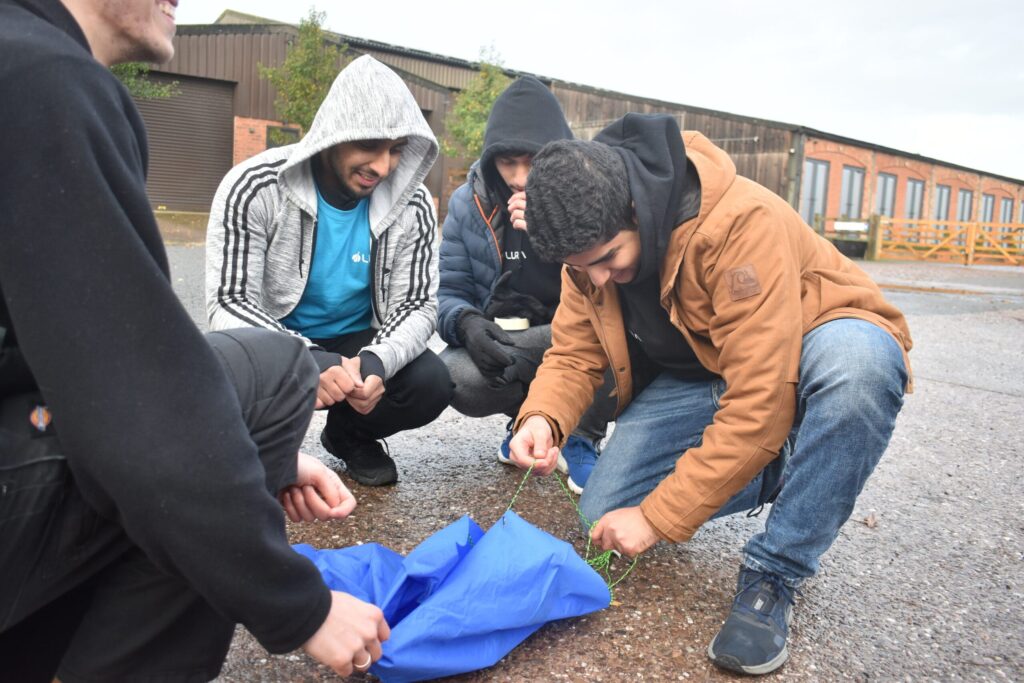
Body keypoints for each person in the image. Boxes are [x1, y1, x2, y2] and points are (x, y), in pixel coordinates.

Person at [0, 0, 389, 679]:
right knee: (273, 372)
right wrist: (301, 607)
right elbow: (142, 396)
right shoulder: (41, 81)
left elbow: (63, 353)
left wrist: (239, 444)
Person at [509, 114, 913, 675]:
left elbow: (759, 401)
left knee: (859, 369)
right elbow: (575, 353)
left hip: (813, 336)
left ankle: (776, 570)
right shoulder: (586, 247)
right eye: (583, 269)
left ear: (636, 212)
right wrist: (543, 420)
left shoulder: (740, 223)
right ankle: (784, 467)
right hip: (709, 367)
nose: (597, 279)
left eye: (607, 260)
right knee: (603, 516)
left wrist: (655, 519)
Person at [206, 55, 452, 487]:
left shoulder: (413, 206)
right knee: (219, 391)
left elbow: (417, 304)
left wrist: (377, 361)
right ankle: (263, 443)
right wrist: (306, 358)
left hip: (355, 342)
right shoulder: (255, 185)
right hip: (273, 338)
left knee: (429, 382)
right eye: (369, 146)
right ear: (333, 135)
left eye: (395, 150)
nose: (382, 166)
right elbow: (229, 301)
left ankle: (347, 435)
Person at [436, 76, 615, 493]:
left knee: (611, 334)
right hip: (513, 333)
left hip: (576, 333)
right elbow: (450, 293)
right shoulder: (468, 202)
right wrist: (466, 323)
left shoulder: (591, 193)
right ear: (491, 159)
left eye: (532, 162)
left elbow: (613, 289)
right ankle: (529, 427)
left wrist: (553, 229)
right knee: (454, 375)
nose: (519, 178)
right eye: (508, 163)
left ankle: (582, 436)